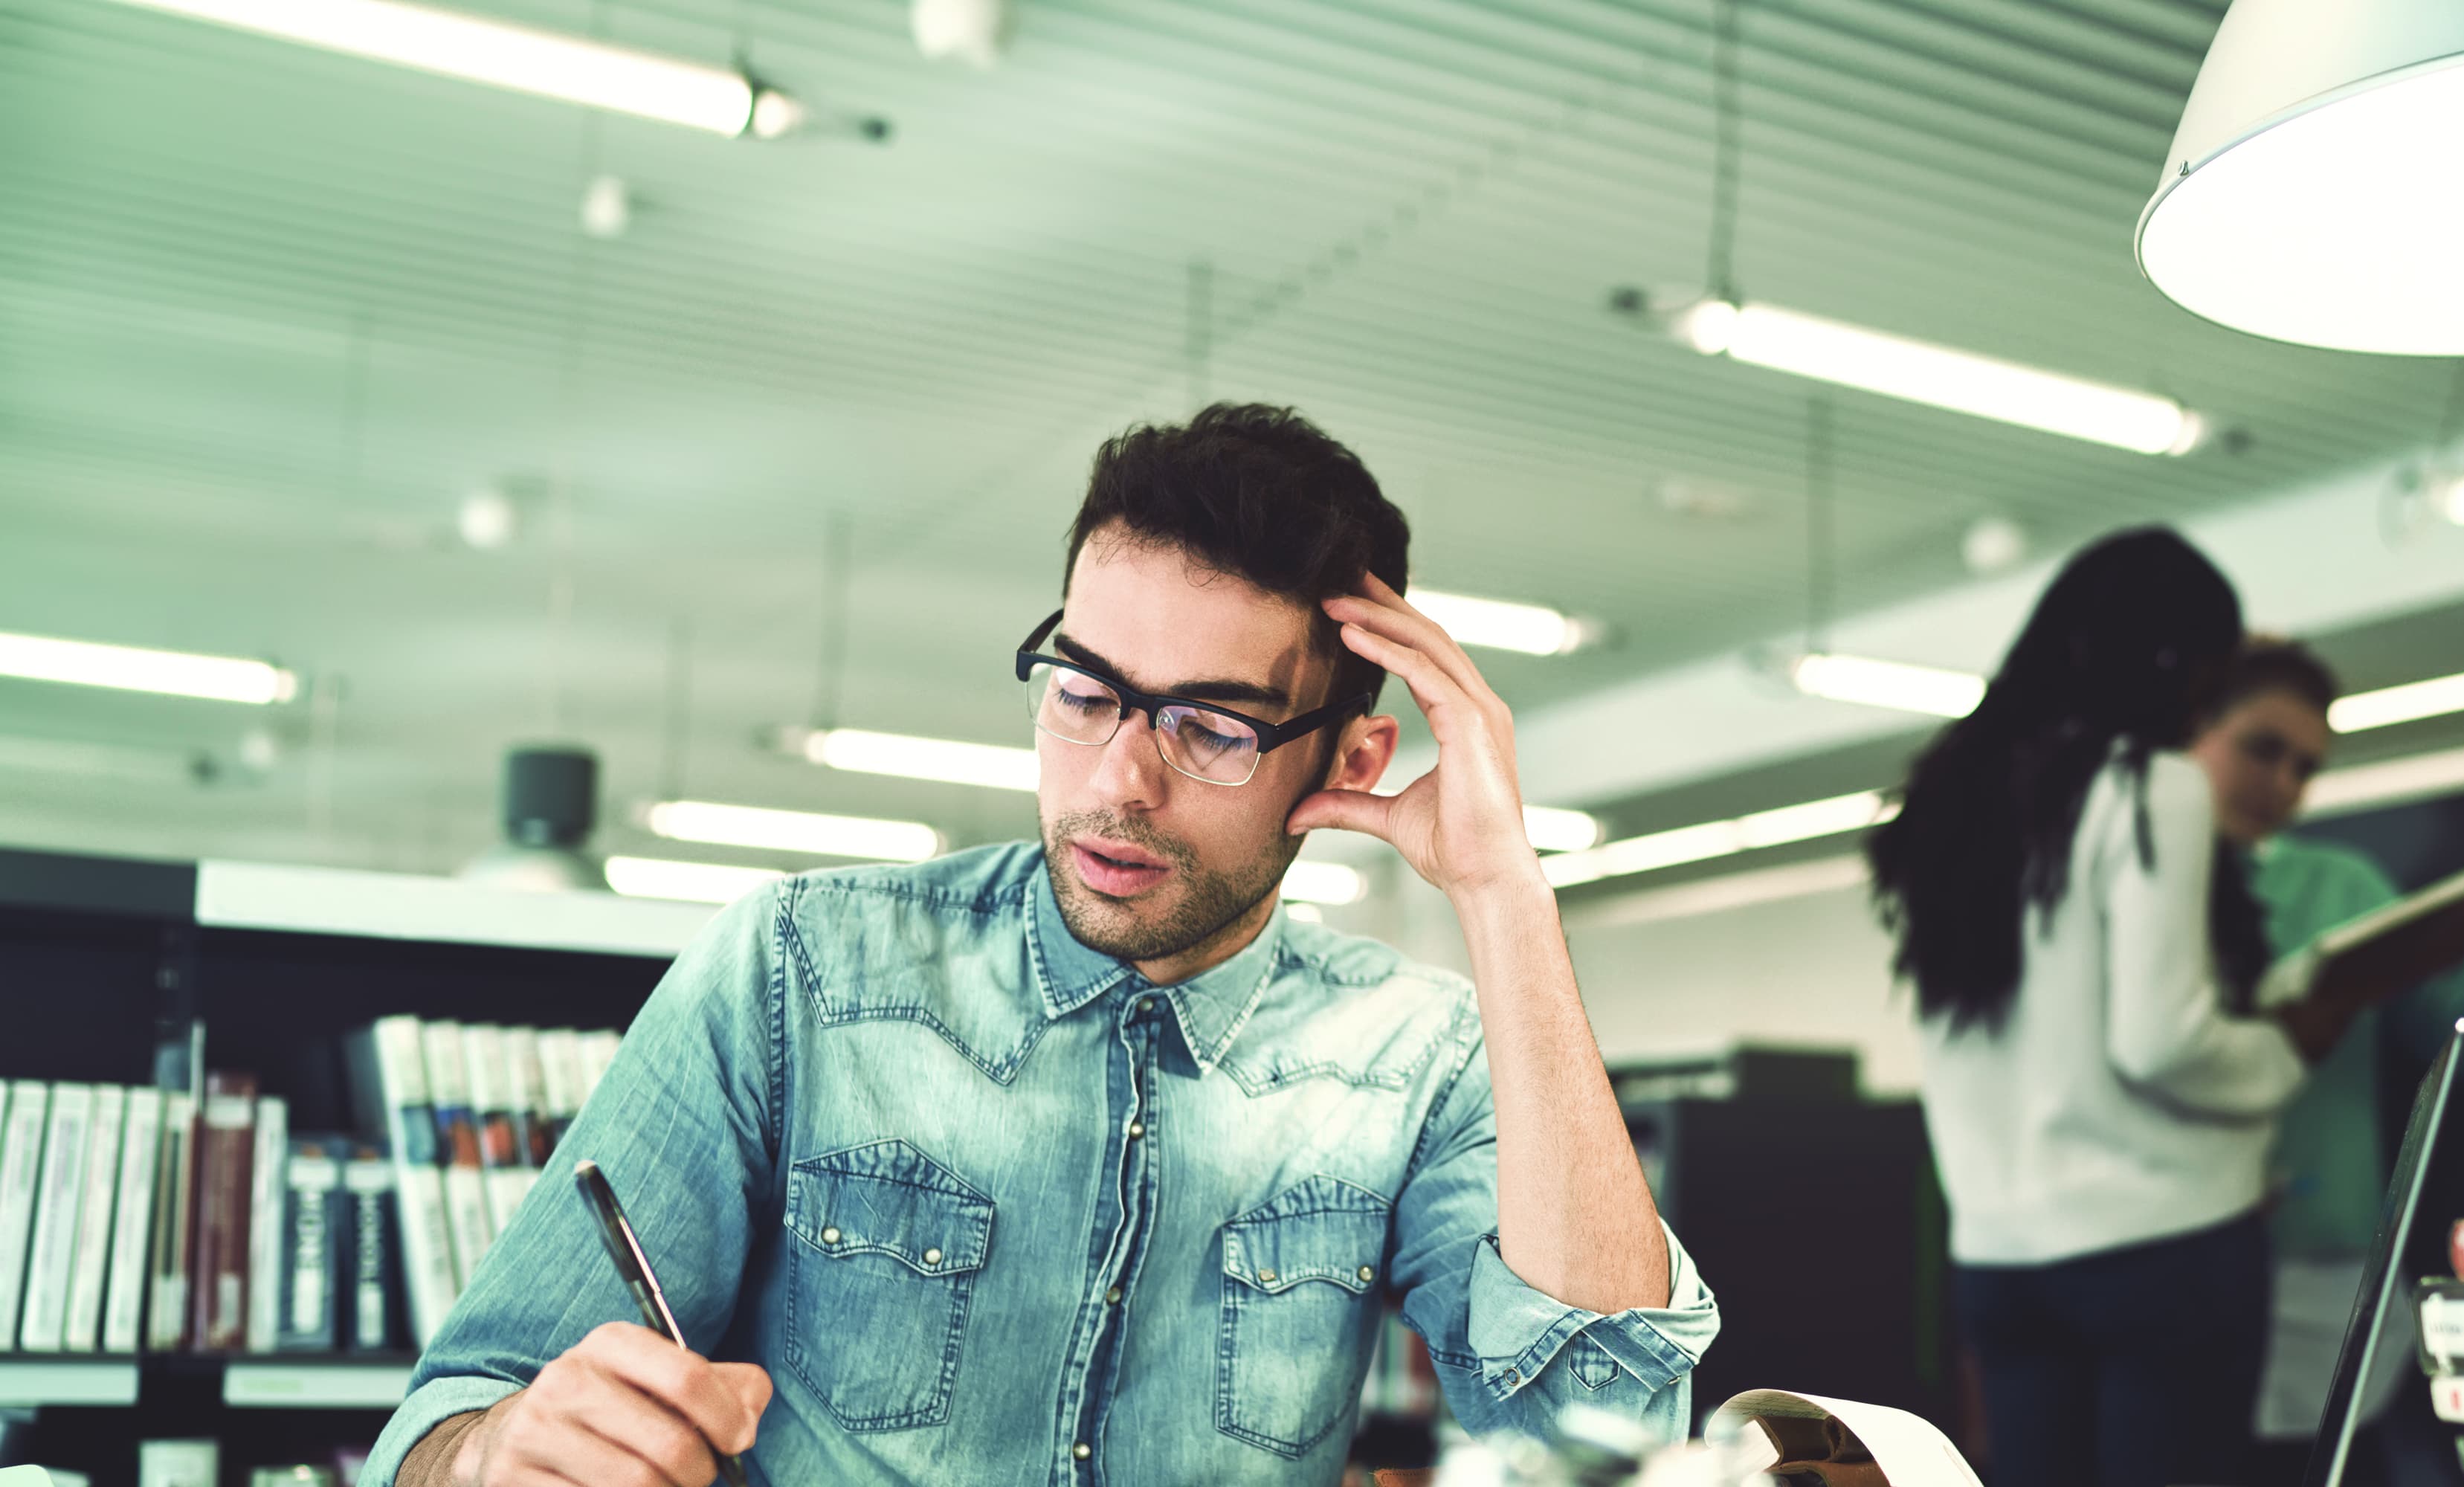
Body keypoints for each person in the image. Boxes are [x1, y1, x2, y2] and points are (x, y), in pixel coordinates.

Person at [364, 404, 1718, 1486]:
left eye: (1212, 726)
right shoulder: (798, 973)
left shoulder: (1416, 1056)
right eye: (1086, 691)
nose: (1121, 778)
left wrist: (1505, 893)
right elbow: (446, 1417)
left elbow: (1604, 1426)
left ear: (1353, 758)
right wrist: (499, 1456)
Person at [1869, 528, 2399, 1487]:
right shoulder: (2150, 784)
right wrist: (2289, 1047)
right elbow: (2162, 1042)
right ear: (2171, 659)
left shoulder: (1940, 808)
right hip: (2164, 1252)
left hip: (1997, 1259)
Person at [2186, 639, 2464, 1487]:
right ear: (2192, 730)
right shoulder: (2136, 884)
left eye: (2305, 766)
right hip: (2178, 1245)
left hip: (2321, 1256)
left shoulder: (2340, 884)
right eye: (2260, 748)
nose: (2282, 783)